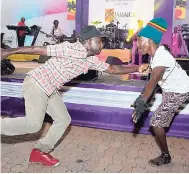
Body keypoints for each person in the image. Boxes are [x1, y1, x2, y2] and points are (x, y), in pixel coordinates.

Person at [1, 25, 148, 167]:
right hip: (37, 83)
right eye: (99, 40)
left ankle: (39, 152)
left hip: (50, 89)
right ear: (88, 41)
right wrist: (8, 52)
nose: (102, 43)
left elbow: (112, 68)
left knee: (63, 119)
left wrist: (137, 68)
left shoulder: (90, 59)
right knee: (34, 125)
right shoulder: (69, 48)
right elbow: (36, 49)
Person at [132, 18, 189, 166]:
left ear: (149, 41)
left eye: (139, 41)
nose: (137, 46)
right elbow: (156, 74)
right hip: (171, 91)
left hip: (179, 91)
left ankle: (165, 156)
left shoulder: (161, 55)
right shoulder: (156, 55)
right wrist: (142, 96)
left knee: (157, 121)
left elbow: (154, 80)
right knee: (159, 120)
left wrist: (143, 101)